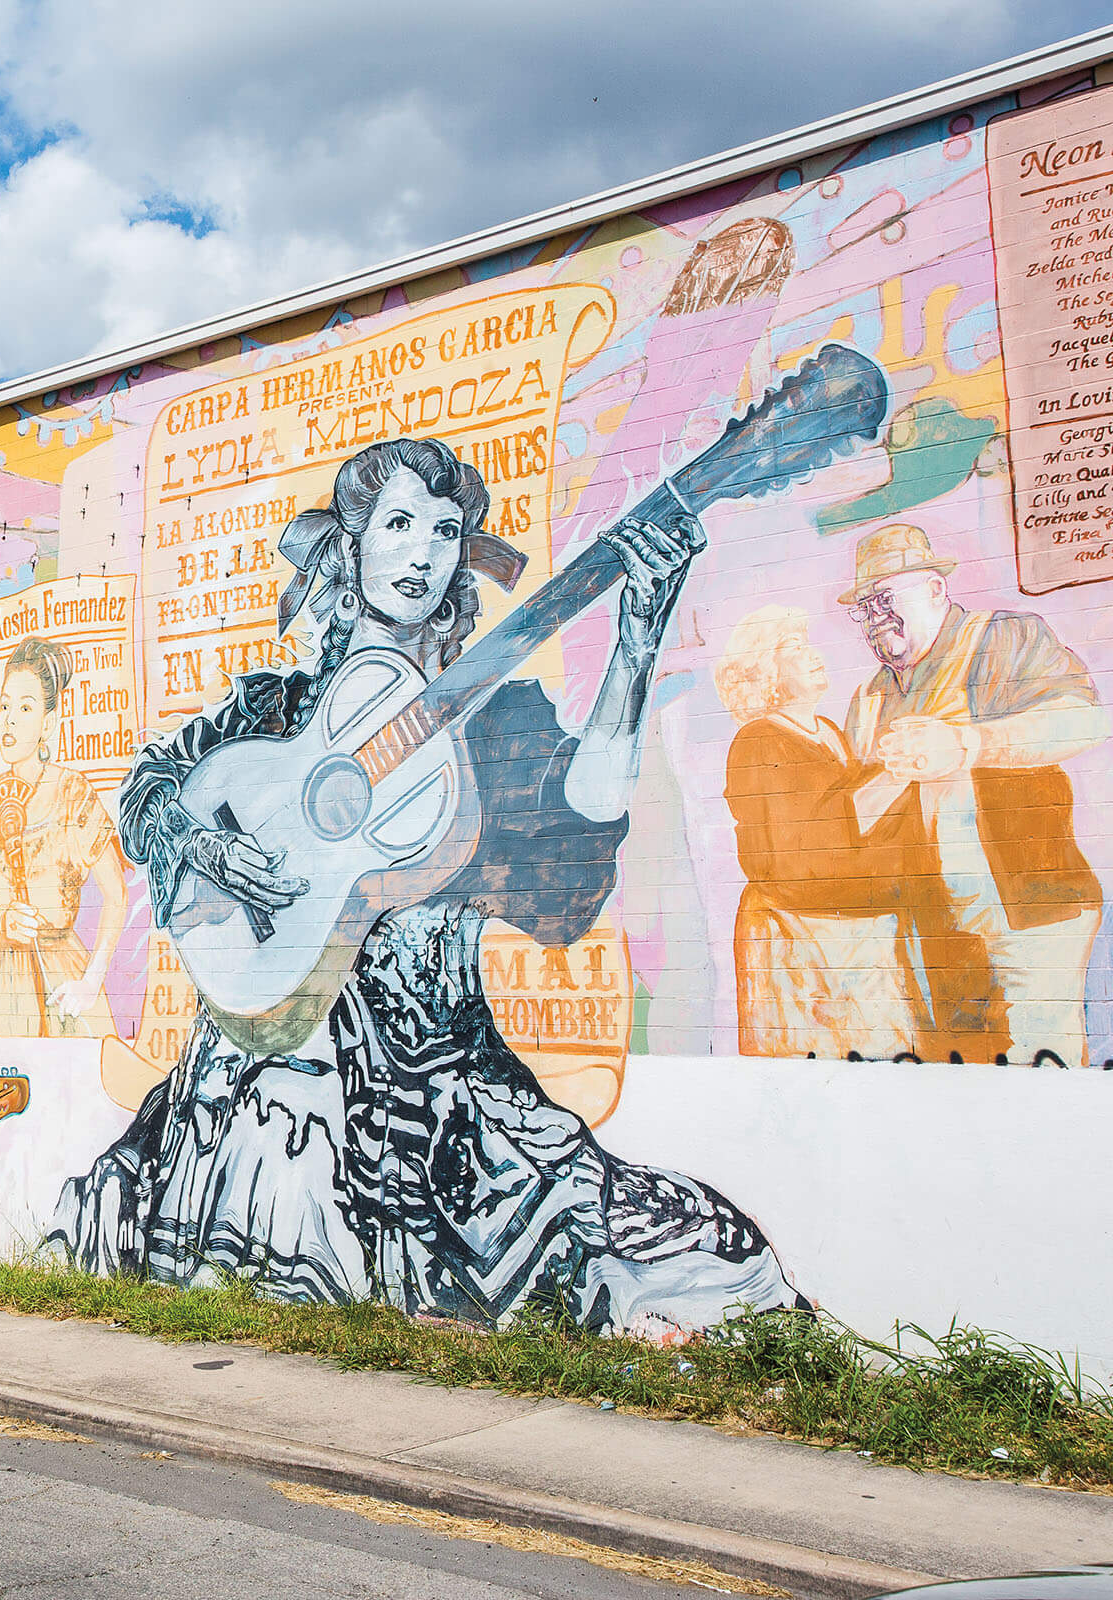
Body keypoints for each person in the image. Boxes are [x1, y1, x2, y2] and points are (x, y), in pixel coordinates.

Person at [50, 437, 802, 1336]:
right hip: (255, 1060)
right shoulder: (272, 712)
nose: (422, 552)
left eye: (447, 532)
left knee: (677, 1256)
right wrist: (204, 850)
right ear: (352, 544)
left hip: (432, 1082)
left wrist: (635, 646)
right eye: (399, 524)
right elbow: (148, 790)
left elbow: (581, 827)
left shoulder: (494, 719)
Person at [836, 523, 1107, 1067]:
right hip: (933, 931)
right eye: (864, 606)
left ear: (936, 589)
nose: (875, 615)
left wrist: (967, 742)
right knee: (961, 1073)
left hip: (1030, 909)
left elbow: (1084, 720)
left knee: (1042, 1062)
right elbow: (854, 815)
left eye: (887, 597)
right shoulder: (867, 697)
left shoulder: (1004, 638)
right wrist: (894, 774)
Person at [716, 605, 916, 1058]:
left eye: (807, 642)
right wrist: (900, 768)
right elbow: (814, 842)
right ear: (762, 670)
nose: (813, 654)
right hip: (798, 937)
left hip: (858, 933)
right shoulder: (759, 741)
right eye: (793, 647)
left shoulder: (829, 731)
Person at [0, 635, 129, 1037]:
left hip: (64, 974)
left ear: (48, 723)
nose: (10, 720)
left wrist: (90, 982)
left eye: (25, 707)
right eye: (4, 706)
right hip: (9, 985)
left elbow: (117, 895)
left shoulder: (73, 793)